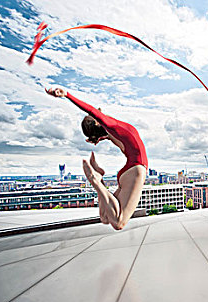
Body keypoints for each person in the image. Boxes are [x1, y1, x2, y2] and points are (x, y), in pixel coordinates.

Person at [46, 87, 147, 230]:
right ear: (98, 122)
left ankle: (99, 180)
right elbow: (91, 110)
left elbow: (107, 134)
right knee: (118, 223)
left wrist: (97, 138)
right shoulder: (112, 125)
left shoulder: (111, 132)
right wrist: (67, 95)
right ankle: (95, 181)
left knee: (105, 218)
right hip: (135, 169)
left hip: (130, 170)